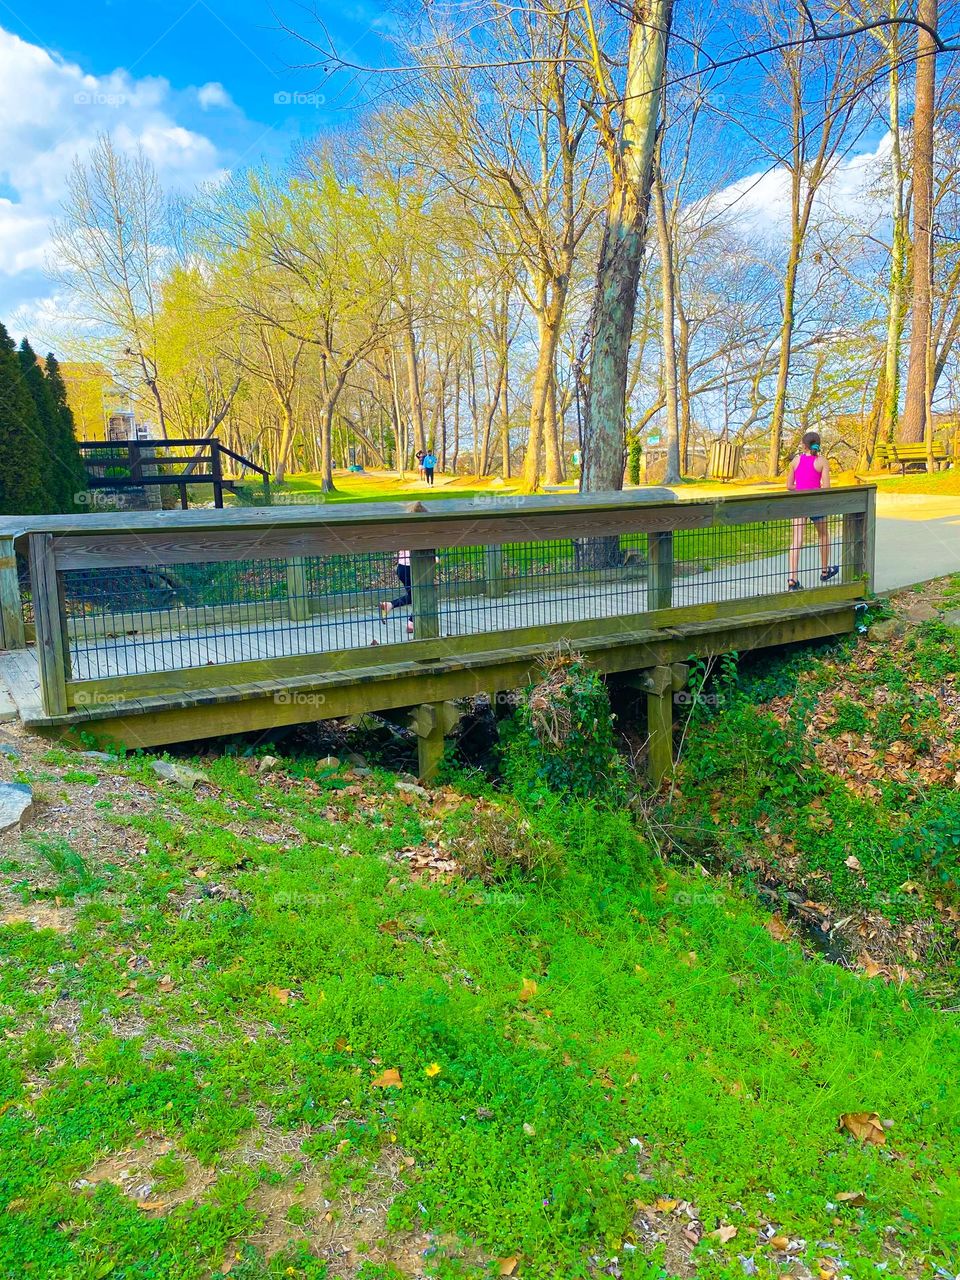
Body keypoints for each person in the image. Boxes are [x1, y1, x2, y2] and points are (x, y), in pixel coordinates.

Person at [786, 430, 839, 590]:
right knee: (823, 535)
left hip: (799, 504)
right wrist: (815, 487)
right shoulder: (822, 461)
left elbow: (789, 486)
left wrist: (802, 488)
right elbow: (827, 487)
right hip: (816, 503)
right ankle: (824, 571)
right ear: (817, 444)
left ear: (803, 445)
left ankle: (792, 579)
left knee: (797, 540)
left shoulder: (795, 461)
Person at [380, 550, 412, 622]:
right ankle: (411, 622)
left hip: (402, 567)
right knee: (422, 595)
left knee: (415, 595)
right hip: (409, 567)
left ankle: (389, 605)